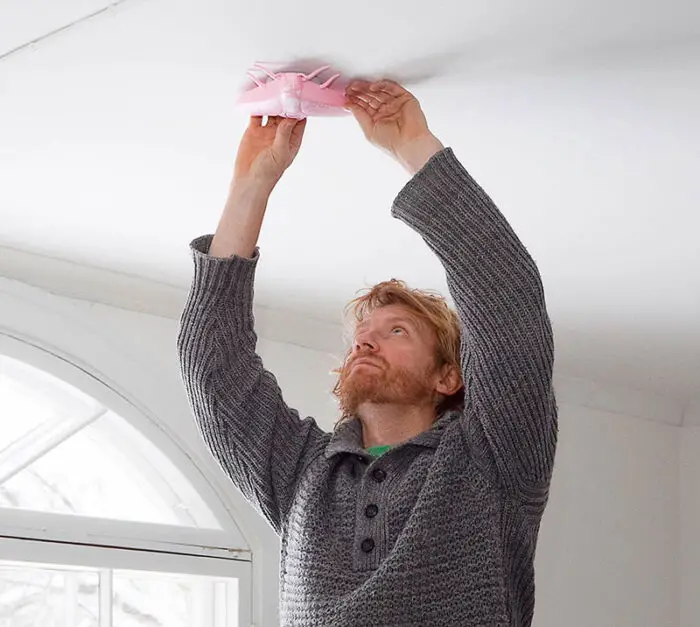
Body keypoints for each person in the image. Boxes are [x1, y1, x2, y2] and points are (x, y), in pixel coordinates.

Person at [177, 79, 558, 627]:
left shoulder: (493, 459)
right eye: (361, 333)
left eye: (397, 331)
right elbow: (214, 368)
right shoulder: (303, 472)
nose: (365, 339)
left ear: (448, 376)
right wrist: (250, 187)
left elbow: (506, 299)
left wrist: (414, 147)